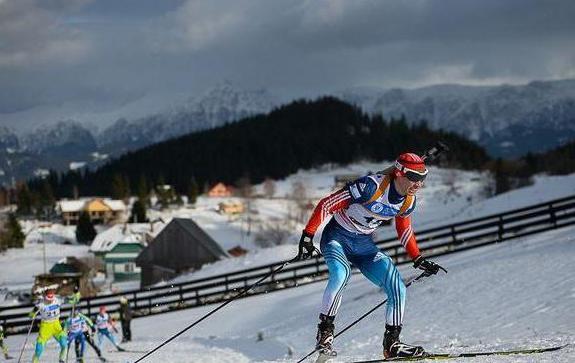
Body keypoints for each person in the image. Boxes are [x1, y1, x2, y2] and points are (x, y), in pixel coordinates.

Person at [298, 152, 447, 359]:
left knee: (397, 287)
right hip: (337, 239)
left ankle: (392, 345)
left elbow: (404, 229)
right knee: (342, 275)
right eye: (413, 177)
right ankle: (325, 331)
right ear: (399, 173)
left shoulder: (408, 201)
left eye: (423, 178)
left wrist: (417, 258)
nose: (418, 183)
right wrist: (308, 235)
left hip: (364, 246)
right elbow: (327, 204)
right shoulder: (370, 187)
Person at [30, 287, 68, 363]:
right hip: (46, 327)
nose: (50, 301)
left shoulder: (57, 300)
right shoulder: (41, 304)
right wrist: (33, 312)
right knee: (39, 349)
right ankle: (35, 361)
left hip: (56, 325)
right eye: (48, 299)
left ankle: (62, 360)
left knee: (64, 343)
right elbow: (32, 313)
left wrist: (71, 299)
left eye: (52, 298)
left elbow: (69, 299)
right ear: (45, 297)